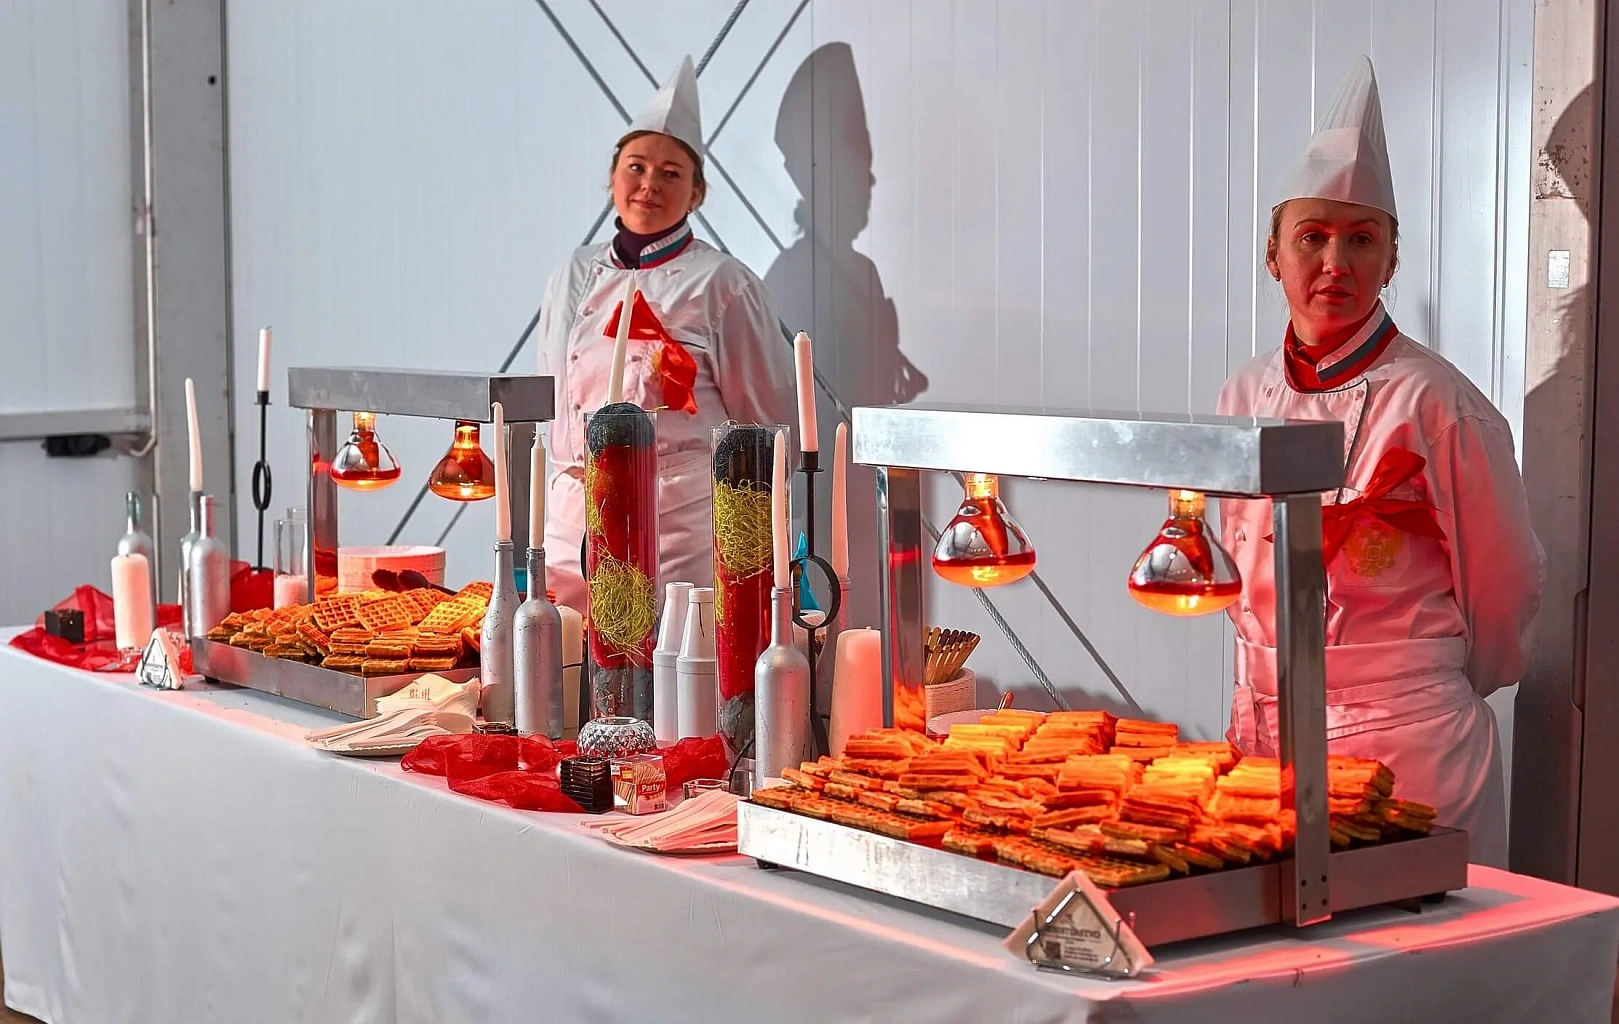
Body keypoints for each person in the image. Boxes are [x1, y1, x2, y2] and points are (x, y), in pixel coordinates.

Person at [1217, 57, 1543, 868]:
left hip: (1410, 741)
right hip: (1260, 729)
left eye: (1361, 240)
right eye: (1311, 237)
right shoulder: (1242, 392)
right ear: (1272, 255)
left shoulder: (1439, 403)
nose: (1335, 262)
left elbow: (1503, 586)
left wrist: (1415, 683)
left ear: (1389, 262)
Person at [536, 57, 796, 613]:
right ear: (612, 177)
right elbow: (551, 403)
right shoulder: (570, 276)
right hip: (571, 522)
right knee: (561, 655)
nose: (649, 184)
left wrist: (758, 554)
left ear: (697, 193)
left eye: (671, 173)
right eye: (636, 166)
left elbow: (771, 430)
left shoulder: (724, 285)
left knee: (670, 661)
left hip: (676, 531)